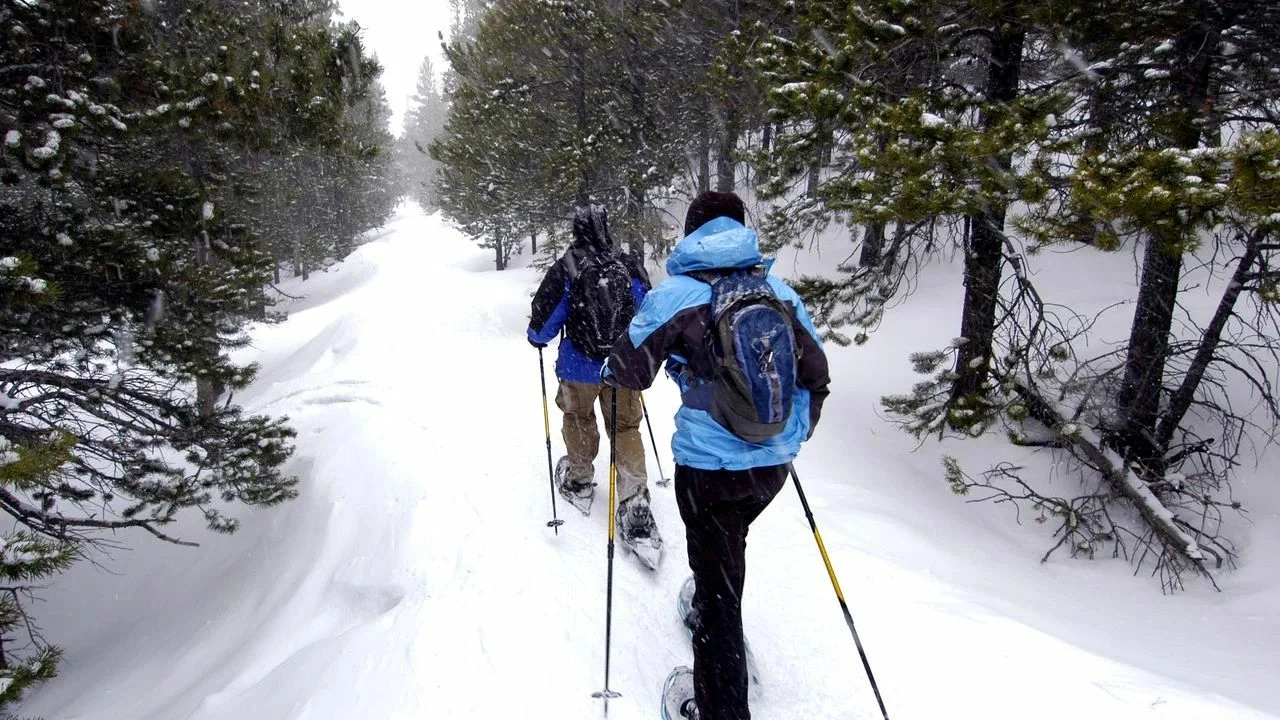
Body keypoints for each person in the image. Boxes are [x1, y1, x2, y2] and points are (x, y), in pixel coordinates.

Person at [603, 191, 830, 719]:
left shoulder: (676, 295)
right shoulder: (780, 293)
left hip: (708, 469)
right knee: (729, 547)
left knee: (719, 581)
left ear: (692, 232)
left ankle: (721, 704)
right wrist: (785, 436)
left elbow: (629, 371)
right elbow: (817, 377)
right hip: (771, 469)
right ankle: (712, 598)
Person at [527, 203, 661, 552]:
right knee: (626, 428)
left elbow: (544, 324)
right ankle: (634, 498)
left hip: (579, 366)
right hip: (621, 367)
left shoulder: (568, 267)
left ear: (576, 230)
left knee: (578, 417)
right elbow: (649, 311)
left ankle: (580, 478)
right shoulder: (627, 265)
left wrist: (536, 338)